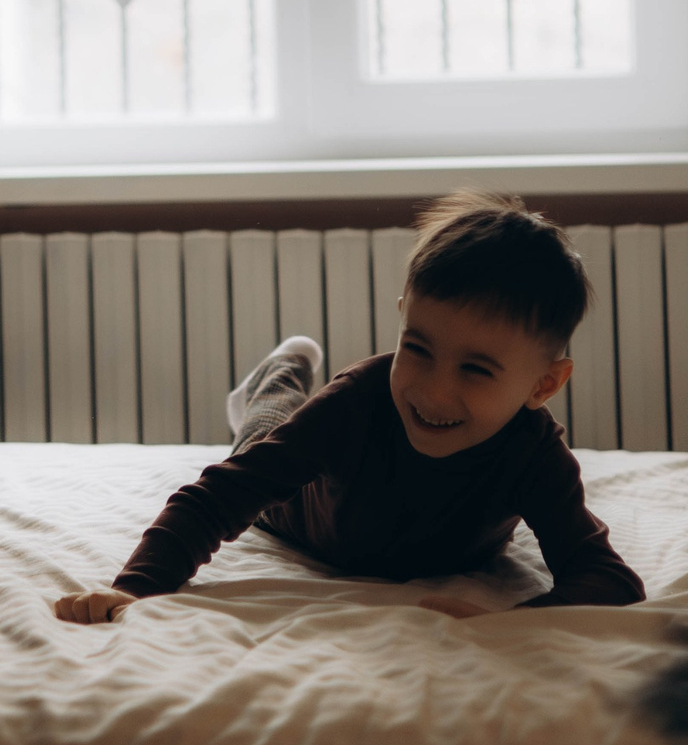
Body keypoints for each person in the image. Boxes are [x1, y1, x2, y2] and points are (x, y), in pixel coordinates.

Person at [53, 193, 646, 623]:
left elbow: (608, 577)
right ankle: (277, 374)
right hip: (297, 515)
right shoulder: (361, 401)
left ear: (544, 384)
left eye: (475, 369)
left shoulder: (534, 453)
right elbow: (215, 496)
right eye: (416, 348)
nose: (432, 391)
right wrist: (135, 590)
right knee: (266, 427)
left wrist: (516, 621)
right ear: (402, 317)